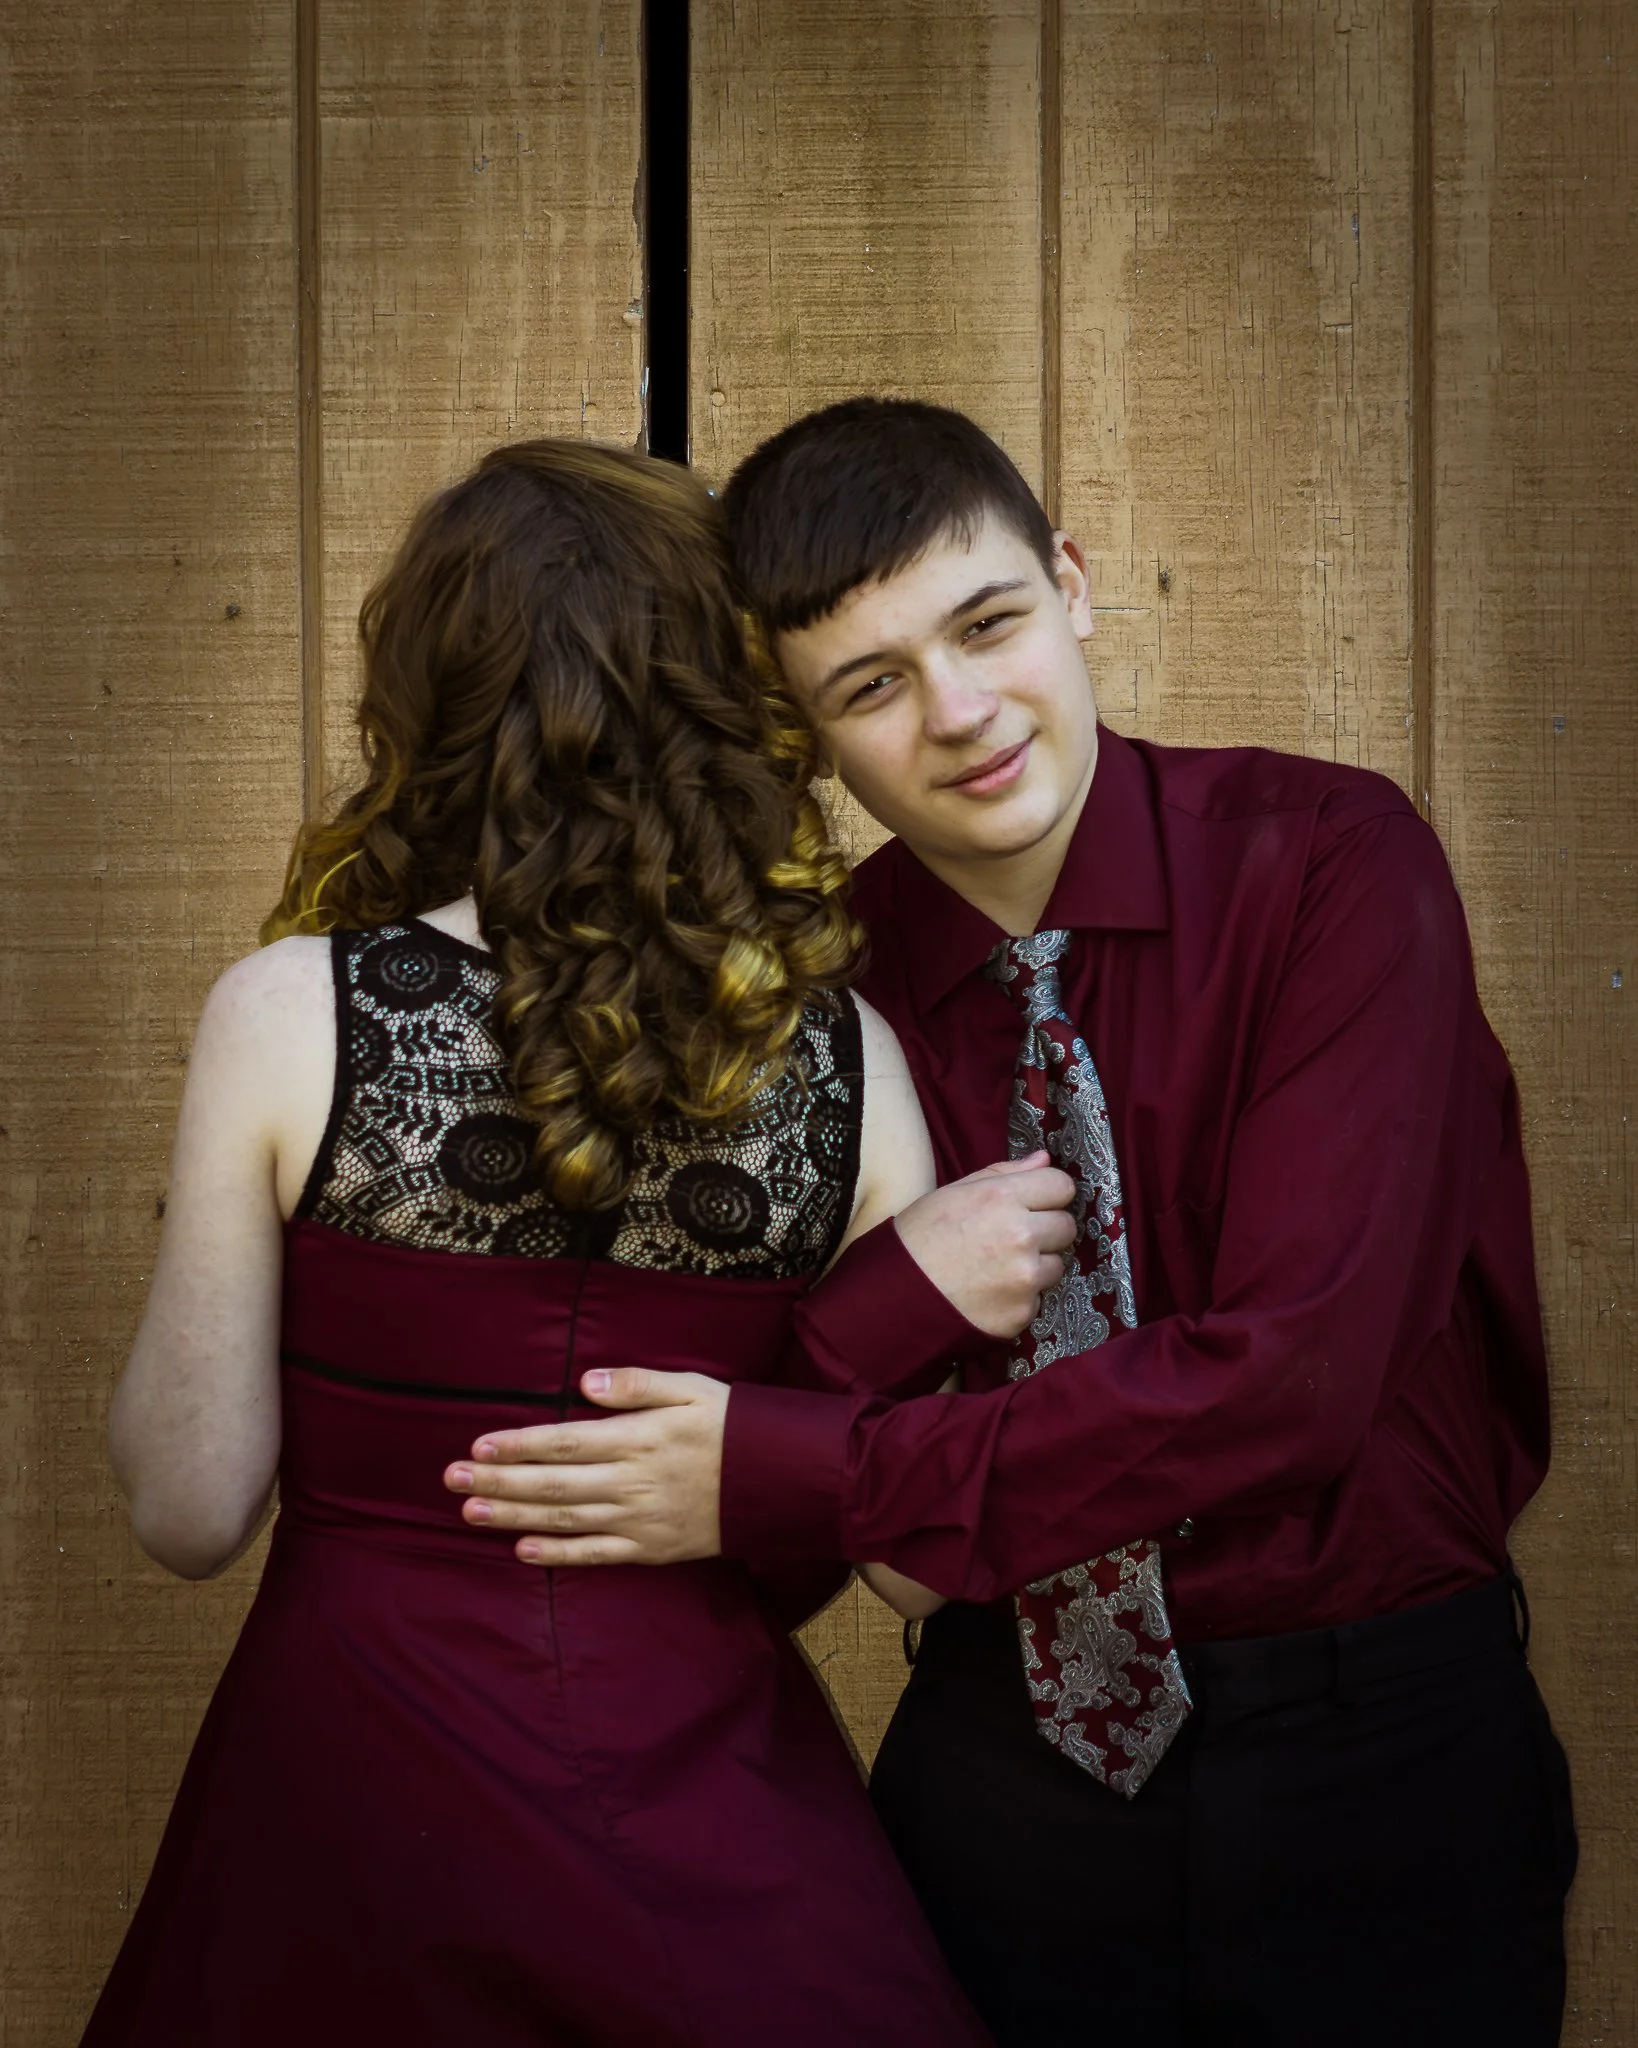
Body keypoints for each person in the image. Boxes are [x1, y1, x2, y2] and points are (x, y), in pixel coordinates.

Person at [455, 400, 1580, 2047]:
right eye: (869, 685)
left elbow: (1291, 1379)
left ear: (1070, 580)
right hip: (1001, 1778)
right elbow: (719, 1496)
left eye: (985, 625)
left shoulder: (1335, 866)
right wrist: (863, 1333)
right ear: (803, 734)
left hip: (1379, 1755)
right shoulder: (808, 1014)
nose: (961, 713)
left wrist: (805, 1464)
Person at [85, 438, 1076, 2045]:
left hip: (349, 1823)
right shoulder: (852, 1061)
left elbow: (192, 1505)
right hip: (713, 1824)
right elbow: (905, 1563)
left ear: (429, 699)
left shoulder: (287, 1017)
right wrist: (888, 1309)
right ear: (727, 694)